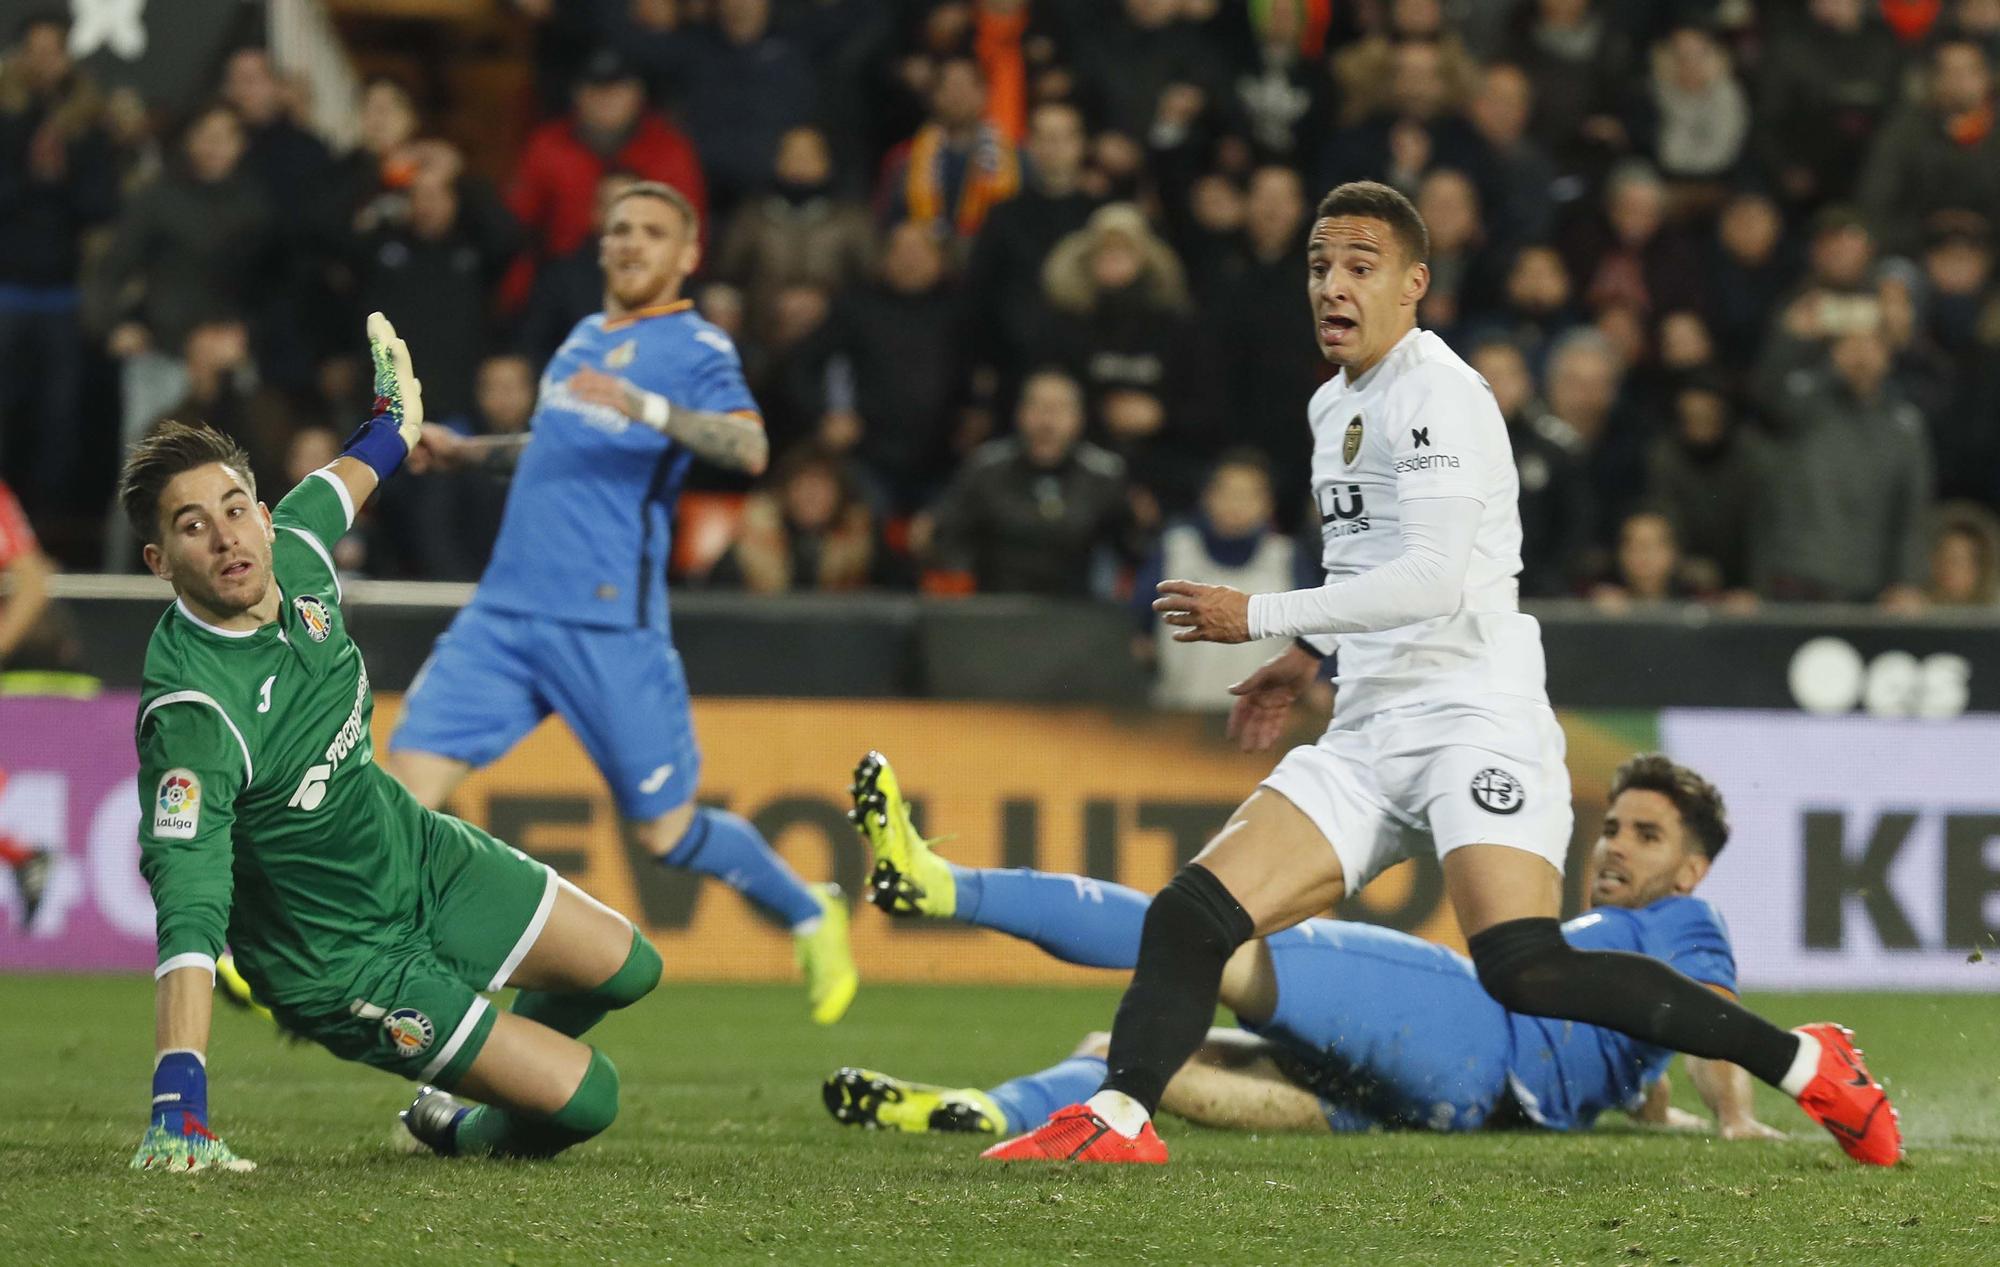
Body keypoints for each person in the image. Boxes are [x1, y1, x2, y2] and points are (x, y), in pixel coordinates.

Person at [977, 180, 1899, 1167]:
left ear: (1414, 284)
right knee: (1191, 913)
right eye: (1319, 267)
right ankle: (1118, 1119)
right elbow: (1365, 564)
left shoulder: (1439, 394)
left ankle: (1803, 1061)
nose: (1332, 285)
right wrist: (1302, 655)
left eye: (1359, 268)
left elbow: (1428, 578)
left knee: (1522, 967)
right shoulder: (1330, 401)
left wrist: (1255, 614)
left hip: (1474, 714)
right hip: (1370, 727)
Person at [123, 318, 660, 1172]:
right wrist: (176, 1098)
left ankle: (471, 1074)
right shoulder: (196, 710)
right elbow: (188, 910)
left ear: (264, 515)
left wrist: (395, 413)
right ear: (159, 560)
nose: (226, 538)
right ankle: (459, 1119)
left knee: (629, 966)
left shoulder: (296, 547)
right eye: (193, 527)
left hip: (413, 854)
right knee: (593, 1098)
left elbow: (371, 454)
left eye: (234, 510)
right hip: (337, 960)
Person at [390, 182, 857, 1025]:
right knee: (406, 787)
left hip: (607, 625)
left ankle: (808, 909)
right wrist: (469, 453)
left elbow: (747, 445)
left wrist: (645, 403)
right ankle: (328, 949)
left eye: (651, 231)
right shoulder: (580, 339)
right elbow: (559, 446)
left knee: (668, 833)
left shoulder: (694, 344)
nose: (630, 242)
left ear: (688, 255)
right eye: (618, 230)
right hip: (504, 615)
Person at [834, 750, 1785, 1144]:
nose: (1616, 845)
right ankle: (984, 1110)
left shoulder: (1686, 926)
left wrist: (1735, 1112)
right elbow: (1638, 1043)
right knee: (1135, 1061)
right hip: (1458, 1109)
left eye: (1646, 836)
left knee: (1202, 933)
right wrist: (1657, 1113)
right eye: (1614, 825)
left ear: (1691, 871)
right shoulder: (1611, 956)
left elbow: (1710, 1016)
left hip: (1462, 1030)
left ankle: (946, 886)